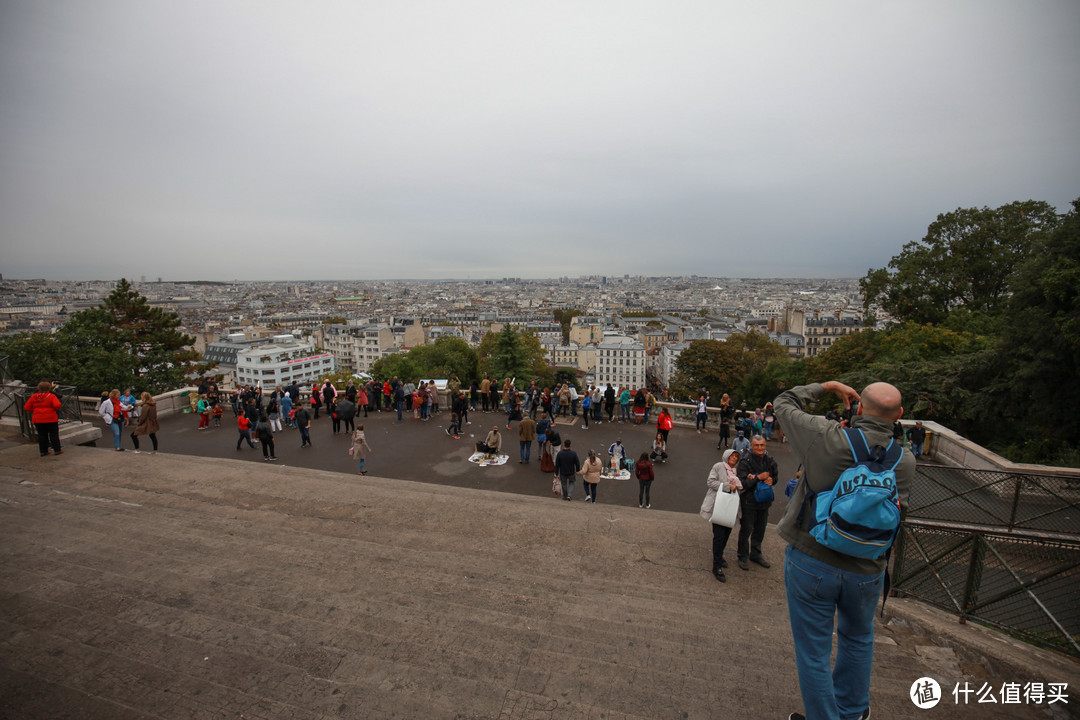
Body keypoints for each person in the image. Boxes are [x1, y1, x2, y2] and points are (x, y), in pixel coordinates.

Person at [774, 381, 915, 720]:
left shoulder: (827, 437)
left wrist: (827, 387)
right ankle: (852, 712)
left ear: (860, 409)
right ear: (899, 416)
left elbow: (783, 403)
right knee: (858, 639)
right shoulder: (904, 460)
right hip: (867, 568)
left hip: (813, 555)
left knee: (814, 652)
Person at [736, 435, 778, 571]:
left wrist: (771, 480)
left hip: (764, 501)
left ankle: (756, 553)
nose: (760, 448)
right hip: (749, 501)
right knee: (746, 529)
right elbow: (742, 483)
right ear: (751, 447)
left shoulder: (770, 461)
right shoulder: (745, 462)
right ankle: (742, 556)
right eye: (757, 445)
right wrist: (758, 478)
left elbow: (775, 477)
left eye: (762, 445)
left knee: (760, 529)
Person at [700, 449, 742, 582]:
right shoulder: (718, 466)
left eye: (736, 457)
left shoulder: (735, 471)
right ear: (726, 456)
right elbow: (710, 482)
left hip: (730, 507)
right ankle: (716, 566)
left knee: (726, 534)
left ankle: (719, 555)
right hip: (719, 505)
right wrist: (727, 486)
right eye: (732, 456)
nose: (734, 458)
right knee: (719, 536)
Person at [24, 381, 63, 457]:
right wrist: (52, 410)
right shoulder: (51, 396)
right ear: (49, 388)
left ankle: (43, 451)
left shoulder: (34, 396)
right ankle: (57, 450)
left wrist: (35, 411)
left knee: (41, 435)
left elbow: (26, 407)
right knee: (53, 434)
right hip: (51, 418)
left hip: (38, 418)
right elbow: (57, 405)